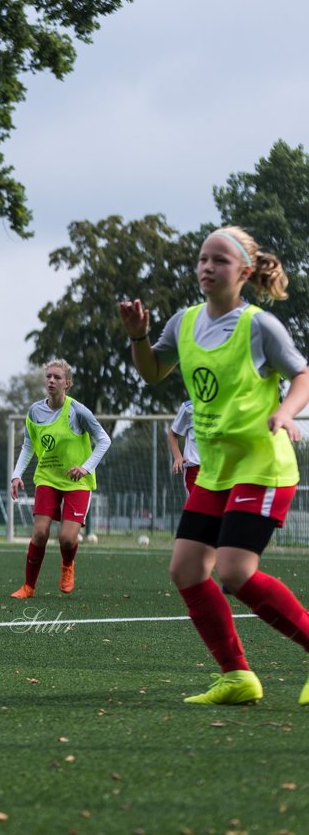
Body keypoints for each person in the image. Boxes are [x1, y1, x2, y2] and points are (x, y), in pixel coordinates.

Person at [119, 225, 309, 706]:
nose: (207, 267)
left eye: (219, 260)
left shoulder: (260, 326)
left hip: (262, 465)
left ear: (244, 271)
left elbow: (302, 374)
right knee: (186, 569)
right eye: (203, 258)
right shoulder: (183, 323)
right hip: (217, 469)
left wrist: (286, 412)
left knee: (234, 571)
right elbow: (153, 371)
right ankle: (237, 677)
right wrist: (139, 336)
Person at [8, 359, 110, 599]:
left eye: (57, 377)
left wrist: (85, 468)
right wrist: (16, 475)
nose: (51, 381)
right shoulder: (35, 411)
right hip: (47, 478)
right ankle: (29, 587)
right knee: (40, 533)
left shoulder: (78, 411)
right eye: (48, 377)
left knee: (66, 538)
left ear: (68, 383)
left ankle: (67, 564)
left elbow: (104, 440)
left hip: (77, 482)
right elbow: (27, 445)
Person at [167, 399, 201, 495]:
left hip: (218, 468)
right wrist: (178, 457)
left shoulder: (225, 405)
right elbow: (172, 434)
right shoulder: (189, 407)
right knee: (196, 509)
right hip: (194, 470)